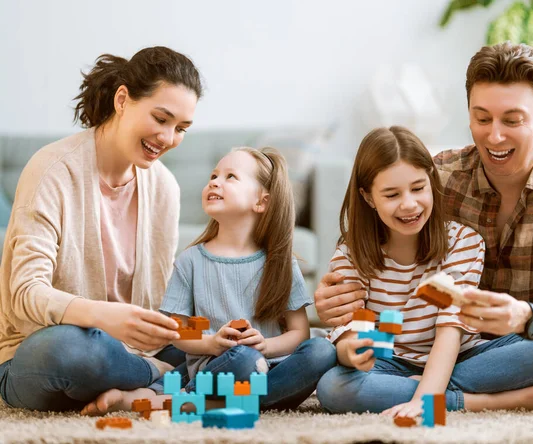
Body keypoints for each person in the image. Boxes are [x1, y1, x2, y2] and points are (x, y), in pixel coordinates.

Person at [314, 42, 533, 409]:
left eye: (512, 121)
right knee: (334, 382)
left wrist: (525, 317)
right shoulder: (437, 178)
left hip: (521, 341)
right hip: (427, 351)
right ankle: (460, 397)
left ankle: (426, 391)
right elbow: (366, 241)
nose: (494, 136)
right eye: (482, 119)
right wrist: (336, 301)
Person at [315, 126, 533, 416]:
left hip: (462, 355)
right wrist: (350, 350)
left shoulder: (463, 242)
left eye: (418, 188)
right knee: (332, 388)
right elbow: (349, 329)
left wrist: (423, 395)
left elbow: (450, 329)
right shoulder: (351, 254)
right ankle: (480, 401)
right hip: (389, 360)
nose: (409, 204)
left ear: (431, 182)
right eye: (391, 195)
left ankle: (427, 392)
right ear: (368, 197)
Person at [0, 46, 203, 412]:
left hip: (130, 351)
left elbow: (157, 302)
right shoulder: (51, 171)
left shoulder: (164, 188)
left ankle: (141, 387)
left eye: (181, 129)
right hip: (40, 352)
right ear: (122, 99)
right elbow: (25, 293)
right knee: (72, 350)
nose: (168, 138)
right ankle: (165, 384)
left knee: (229, 346)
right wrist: (100, 316)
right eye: (161, 118)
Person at [80, 147, 337, 415]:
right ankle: (234, 400)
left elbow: (300, 333)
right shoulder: (190, 260)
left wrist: (265, 345)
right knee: (245, 359)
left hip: (272, 365)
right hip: (222, 365)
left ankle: (191, 401)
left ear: (261, 202)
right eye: (214, 175)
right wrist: (212, 343)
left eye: (230, 177)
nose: (214, 181)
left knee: (322, 350)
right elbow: (178, 330)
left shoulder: (281, 261)